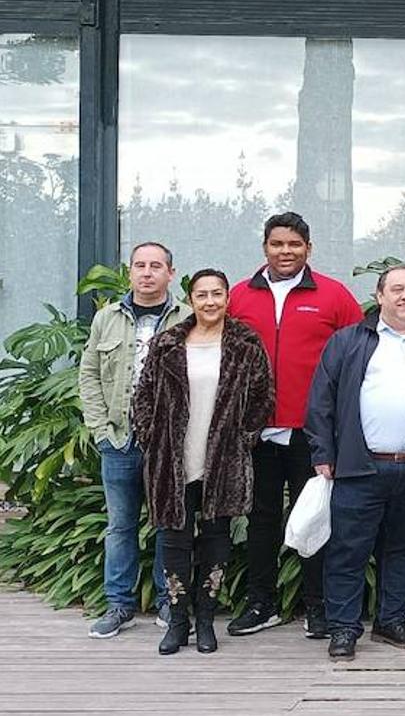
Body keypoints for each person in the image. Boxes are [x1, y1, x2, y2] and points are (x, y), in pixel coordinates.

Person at [305, 263, 405, 662]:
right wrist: (323, 454)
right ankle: (343, 628)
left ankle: (390, 620)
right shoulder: (349, 341)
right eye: (397, 289)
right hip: (360, 467)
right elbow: (321, 400)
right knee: (348, 551)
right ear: (380, 295)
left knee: (402, 549)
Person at [227, 212, 363, 639]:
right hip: (257, 432)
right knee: (261, 519)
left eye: (294, 245)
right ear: (264, 247)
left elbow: (358, 358)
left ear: (309, 247)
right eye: (277, 244)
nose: (285, 252)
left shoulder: (334, 295)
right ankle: (261, 603)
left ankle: (318, 607)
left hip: (314, 431)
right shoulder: (238, 297)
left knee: (316, 519)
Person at [131, 269, 274, 655]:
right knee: (174, 541)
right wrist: (151, 437)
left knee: (215, 541)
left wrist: (242, 439)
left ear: (228, 298)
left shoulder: (245, 344)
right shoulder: (167, 344)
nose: (210, 302)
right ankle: (178, 623)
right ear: (190, 299)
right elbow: (142, 396)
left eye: (217, 294)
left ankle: (207, 620)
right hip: (172, 461)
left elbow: (262, 398)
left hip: (222, 462)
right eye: (201, 295)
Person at [80, 242, 191, 638]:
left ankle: (168, 600)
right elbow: (89, 375)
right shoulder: (107, 318)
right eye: (140, 265)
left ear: (171, 273)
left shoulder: (188, 319)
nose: (147, 272)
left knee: (168, 524)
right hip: (120, 440)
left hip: (169, 444)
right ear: (130, 271)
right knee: (121, 526)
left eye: (156, 266)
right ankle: (119, 605)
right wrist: (101, 432)